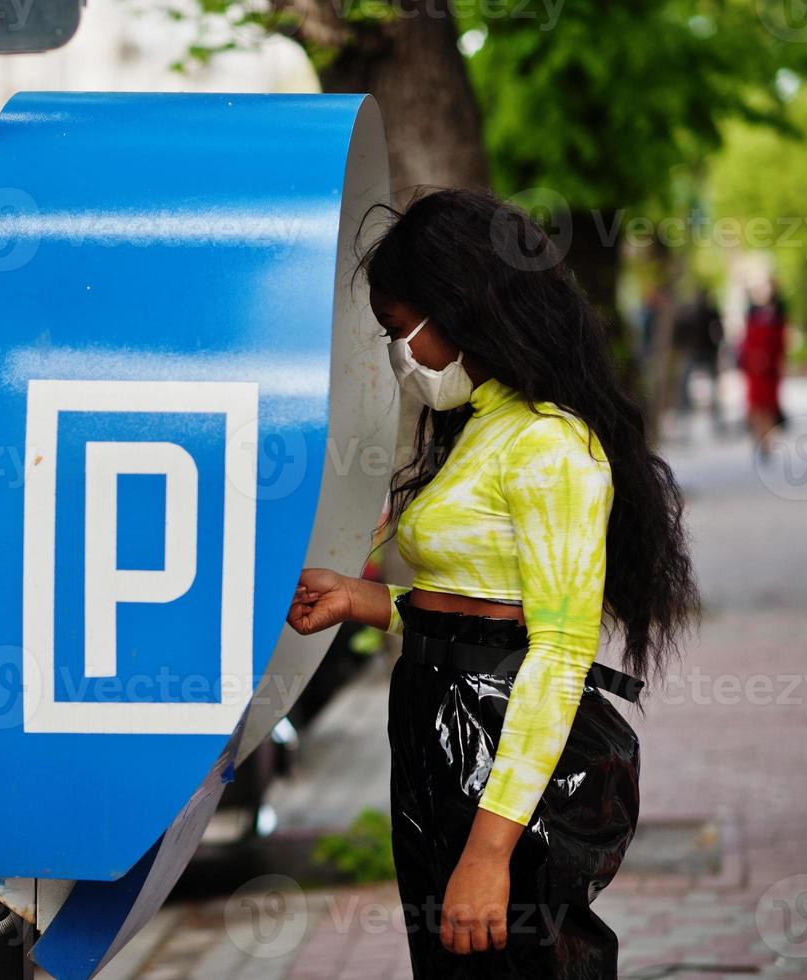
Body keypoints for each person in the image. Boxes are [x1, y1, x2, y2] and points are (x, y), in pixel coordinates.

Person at [287, 189, 699, 979]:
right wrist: (362, 599)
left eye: (398, 330)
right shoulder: (484, 424)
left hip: (506, 753)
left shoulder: (550, 445)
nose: (397, 353)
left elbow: (553, 652)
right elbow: (478, 609)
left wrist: (488, 850)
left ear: (458, 311)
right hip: (441, 739)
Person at [738, 281, 789, 455]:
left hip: (770, 368)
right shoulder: (751, 312)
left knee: (768, 406)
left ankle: (766, 440)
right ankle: (759, 437)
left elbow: (781, 341)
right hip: (754, 367)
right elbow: (746, 340)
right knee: (755, 404)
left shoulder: (779, 314)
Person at [673, 287, 725, 434]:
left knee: (709, 386)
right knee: (685, 387)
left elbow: (719, 330)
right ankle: (685, 423)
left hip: (703, 351)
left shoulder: (704, 311)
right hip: (696, 351)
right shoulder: (691, 312)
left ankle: (715, 422)